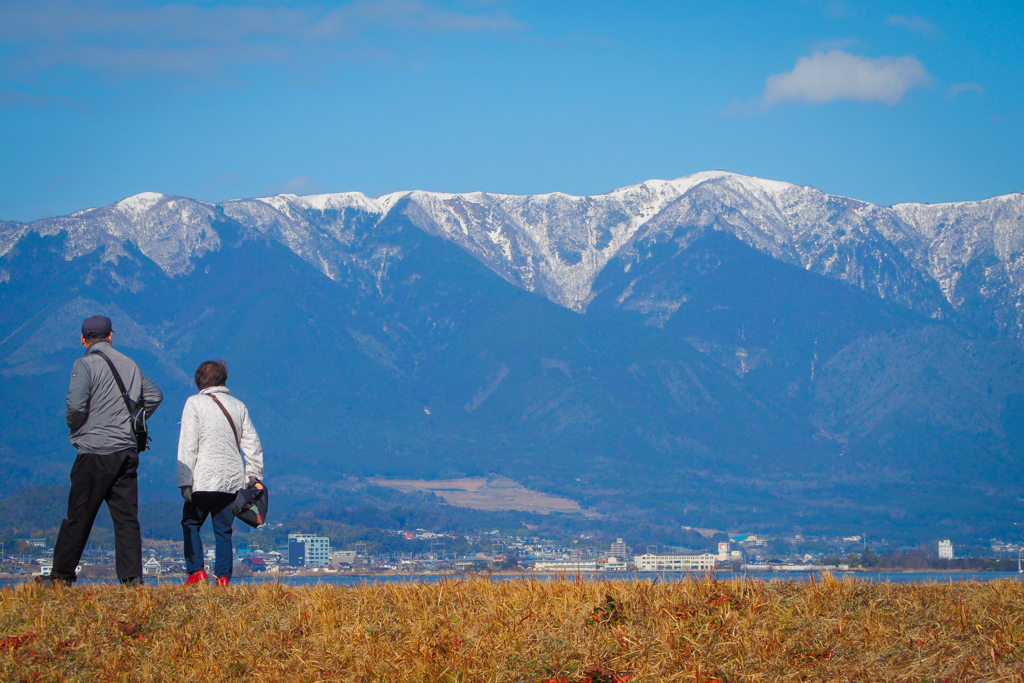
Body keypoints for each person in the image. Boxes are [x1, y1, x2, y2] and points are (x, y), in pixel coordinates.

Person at [46, 315, 163, 586]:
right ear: (111, 336)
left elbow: (75, 407)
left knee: (79, 515)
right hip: (126, 450)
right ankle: (132, 580)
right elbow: (155, 395)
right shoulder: (129, 364)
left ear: (83, 339)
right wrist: (135, 420)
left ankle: (61, 576)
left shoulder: (84, 365)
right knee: (126, 519)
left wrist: (77, 428)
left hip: (94, 451)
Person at [177, 360, 264, 587]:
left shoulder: (194, 403)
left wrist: (184, 480)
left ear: (199, 381)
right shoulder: (238, 406)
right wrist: (254, 475)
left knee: (191, 522)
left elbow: (188, 444)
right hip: (232, 480)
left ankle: (196, 571)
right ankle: (223, 577)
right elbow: (252, 443)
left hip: (203, 478)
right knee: (224, 530)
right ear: (224, 379)